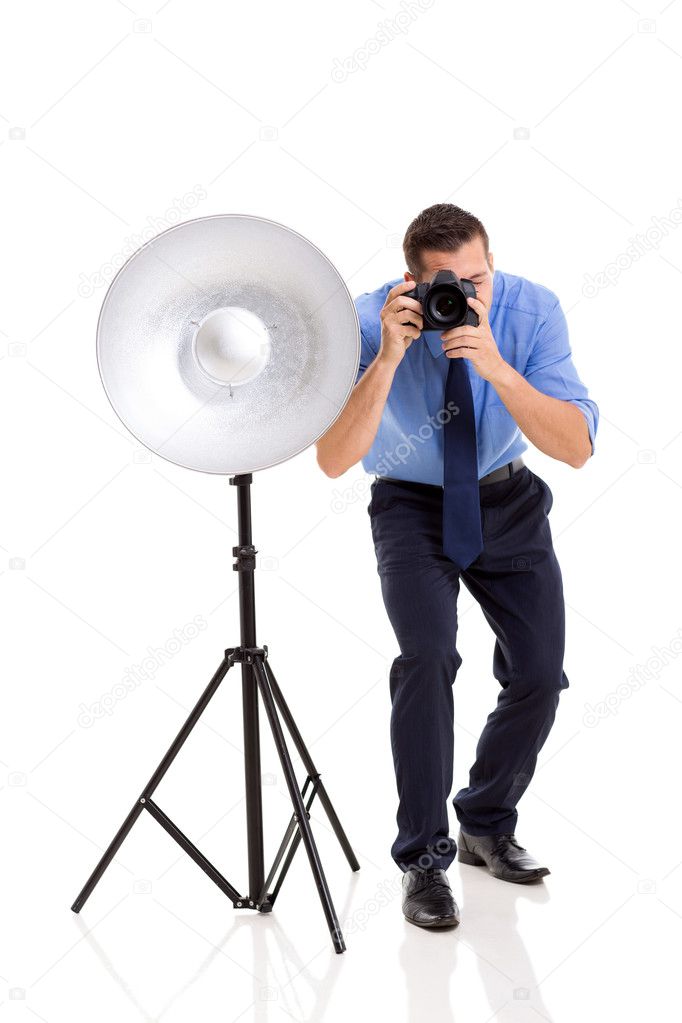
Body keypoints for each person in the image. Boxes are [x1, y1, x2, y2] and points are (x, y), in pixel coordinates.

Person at [315, 203, 599, 930]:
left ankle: (484, 819)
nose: (465, 295)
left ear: (491, 265)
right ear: (412, 280)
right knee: (428, 657)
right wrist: (386, 357)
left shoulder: (532, 310)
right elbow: (333, 459)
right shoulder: (368, 317)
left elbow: (575, 447)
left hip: (507, 500)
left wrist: (496, 365)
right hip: (411, 507)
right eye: (447, 284)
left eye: (477, 277)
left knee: (539, 672)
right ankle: (423, 860)